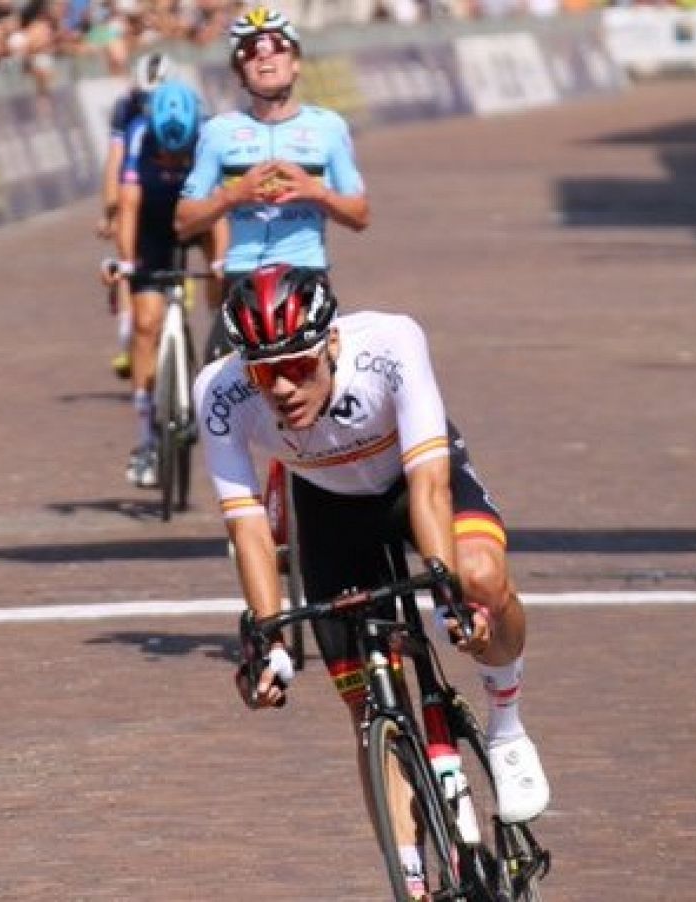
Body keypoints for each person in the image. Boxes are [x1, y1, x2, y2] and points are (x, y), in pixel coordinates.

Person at [195, 266, 550, 896]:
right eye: (262, 372)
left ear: (331, 344)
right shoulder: (220, 393)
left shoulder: (390, 344)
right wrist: (270, 641)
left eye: (299, 366)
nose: (281, 387)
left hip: (410, 484)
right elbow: (249, 527)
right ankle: (410, 878)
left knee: (479, 578)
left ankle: (507, 719)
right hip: (329, 510)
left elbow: (432, 485)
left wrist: (443, 586)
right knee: (366, 705)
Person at [175, 7, 368, 289]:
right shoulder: (218, 132)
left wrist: (315, 192)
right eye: (249, 50)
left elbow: (360, 216)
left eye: (277, 45)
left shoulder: (329, 127)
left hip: (306, 275)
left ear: (295, 63)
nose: (263, 54)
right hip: (242, 277)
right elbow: (184, 222)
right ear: (239, 73)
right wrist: (235, 195)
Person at [102, 79, 228, 487]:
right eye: (167, 153)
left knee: (219, 264)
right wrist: (124, 264)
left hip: (194, 214)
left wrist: (222, 264)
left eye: (181, 153)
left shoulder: (207, 138)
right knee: (146, 323)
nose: (173, 160)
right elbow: (129, 205)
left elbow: (219, 210)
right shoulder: (140, 134)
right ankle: (145, 440)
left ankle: (218, 337)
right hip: (153, 224)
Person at [99, 50, 171, 380]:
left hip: (170, 189)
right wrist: (109, 211)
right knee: (128, 256)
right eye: (143, 98)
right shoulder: (125, 108)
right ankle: (128, 332)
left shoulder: (184, 106)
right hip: (134, 185)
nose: (147, 106)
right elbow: (116, 158)